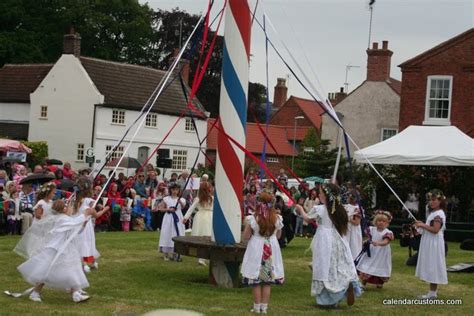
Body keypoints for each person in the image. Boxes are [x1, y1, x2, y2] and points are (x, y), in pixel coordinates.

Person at [295, 183, 361, 307]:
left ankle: (330, 299)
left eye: (320, 192)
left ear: (326, 195)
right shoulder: (341, 209)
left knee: (324, 267)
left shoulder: (320, 209)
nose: (319, 194)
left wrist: (300, 209)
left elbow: (308, 219)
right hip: (339, 240)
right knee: (337, 265)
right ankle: (345, 284)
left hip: (324, 241)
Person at [16, 200, 95, 303]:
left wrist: (83, 224)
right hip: (56, 248)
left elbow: (75, 231)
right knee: (46, 271)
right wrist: (85, 213)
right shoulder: (61, 219)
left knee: (73, 269)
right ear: (63, 209)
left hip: (66, 248)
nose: (69, 208)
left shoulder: (65, 219)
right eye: (67, 207)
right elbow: (74, 223)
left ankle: (75, 293)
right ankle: (35, 292)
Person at [241, 192, 284, 314]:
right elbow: (279, 235)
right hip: (271, 249)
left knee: (256, 281)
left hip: (256, 248)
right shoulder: (277, 218)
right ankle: (264, 308)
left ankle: (256, 307)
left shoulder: (254, 219)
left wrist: (248, 229)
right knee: (267, 281)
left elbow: (246, 236)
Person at [414, 189, 448, 299]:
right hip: (430, 241)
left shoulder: (439, 214)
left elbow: (435, 229)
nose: (431, 202)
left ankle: (433, 293)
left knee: (434, 265)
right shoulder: (433, 213)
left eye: (434, 200)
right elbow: (429, 228)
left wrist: (423, 225)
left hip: (434, 243)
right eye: (430, 200)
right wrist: (420, 226)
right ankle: (432, 292)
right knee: (430, 264)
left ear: (440, 201)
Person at [72, 177, 109, 273]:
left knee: (81, 244)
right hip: (85, 227)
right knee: (86, 244)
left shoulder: (74, 200)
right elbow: (96, 213)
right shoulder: (88, 200)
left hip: (77, 225)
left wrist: (99, 205)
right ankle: (84, 264)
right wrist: (104, 209)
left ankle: (91, 262)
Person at [356, 210, 393, 289]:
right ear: (375, 221)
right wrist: (367, 241)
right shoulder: (372, 229)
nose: (381, 222)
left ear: (387, 223)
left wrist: (379, 243)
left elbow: (386, 242)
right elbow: (370, 238)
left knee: (380, 266)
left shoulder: (388, 232)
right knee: (367, 265)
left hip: (382, 253)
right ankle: (364, 282)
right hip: (372, 252)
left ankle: (380, 282)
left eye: (383, 221)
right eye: (379, 221)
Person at [183, 182, 214, 266]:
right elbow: (191, 208)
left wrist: (185, 217)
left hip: (200, 216)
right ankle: (202, 258)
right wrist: (185, 217)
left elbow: (191, 208)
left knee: (202, 235)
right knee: (206, 235)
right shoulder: (210, 198)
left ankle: (202, 257)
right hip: (208, 217)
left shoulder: (200, 198)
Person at [158, 183, 186, 261]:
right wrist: (168, 209)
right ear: (170, 190)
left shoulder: (181, 199)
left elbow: (183, 207)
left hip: (178, 217)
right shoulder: (166, 199)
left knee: (177, 233)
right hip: (169, 217)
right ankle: (166, 253)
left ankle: (176, 253)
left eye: (176, 190)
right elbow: (160, 208)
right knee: (167, 232)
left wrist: (180, 202)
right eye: (173, 189)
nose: (175, 191)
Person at [344, 190, 363, 260]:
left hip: (353, 230)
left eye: (348, 197)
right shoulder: (346, 207)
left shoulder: (357, 209)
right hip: (347, 228)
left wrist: (347, 219)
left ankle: (354, 259)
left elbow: (356, 222)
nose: (347, 199)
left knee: (354, 244)